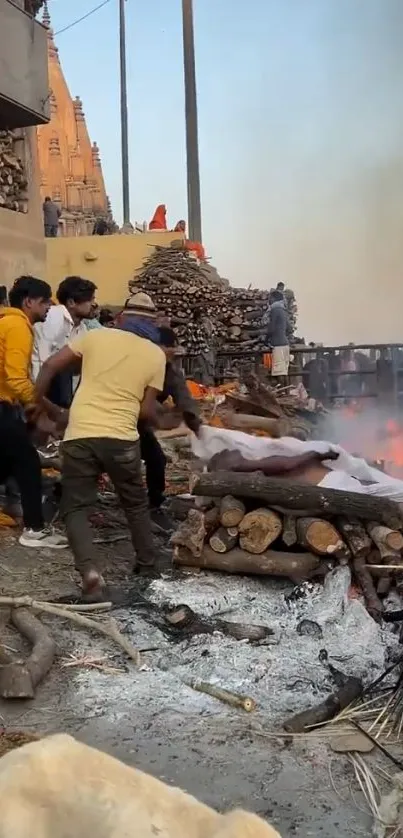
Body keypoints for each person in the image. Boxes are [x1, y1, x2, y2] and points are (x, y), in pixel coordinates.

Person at [34, 321, 167, 599]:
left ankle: (90, 574)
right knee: (134, 503)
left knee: (76, 507)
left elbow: (48, 367)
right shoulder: (156, 355)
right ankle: (148, 565)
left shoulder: (94, 336)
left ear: (121, 321)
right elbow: (145, 412)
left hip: (80, 433)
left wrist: (37, 406)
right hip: (122, 439)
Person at [0, 276, 67, 548]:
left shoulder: (8, 322)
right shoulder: (17, 326)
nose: (50, 306)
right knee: (27, 461)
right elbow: (16, 379)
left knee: (9, 462)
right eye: (45, 301)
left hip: (6, 404)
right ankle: (34, 530)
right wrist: (43, 409)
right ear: (29, 302)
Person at [139, 327, 201, 530]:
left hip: (141, 423)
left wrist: (197, 425)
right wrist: (160, 416)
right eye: (170, 347)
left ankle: (154, 505)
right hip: (120, 419)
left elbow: (184, 397)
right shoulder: (139, 364)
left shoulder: (169, 371)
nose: (173, 351)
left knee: (157, 459)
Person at [32, 276, 97, 408]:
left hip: (59, 394)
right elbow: (42, 361)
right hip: (39, 390)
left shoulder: (82, 329)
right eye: (90, 300)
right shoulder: (54, 316)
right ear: (71, 302)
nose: (94, 304)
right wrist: (37, 400)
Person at [267, 290, 290, 384]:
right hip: (285, 344)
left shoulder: (274, 310)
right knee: (284, 371)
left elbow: (271, 328)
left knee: (278, 371)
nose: (269, 300)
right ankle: (286, 393)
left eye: (270, 298)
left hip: (278, 344)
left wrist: (266, 338)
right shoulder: (283, 311)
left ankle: (282, 392)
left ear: (274, 299)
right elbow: (289, 328)